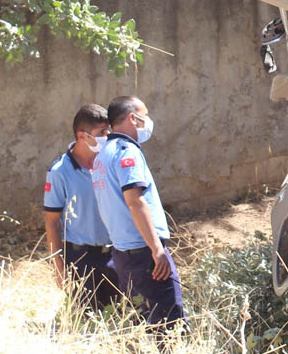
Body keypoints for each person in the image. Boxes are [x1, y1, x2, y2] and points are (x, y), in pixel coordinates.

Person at [91, 95, 185, 332]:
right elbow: (135, 201)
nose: (149, 121)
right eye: (146, 115)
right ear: (133, 118)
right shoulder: (126, 152)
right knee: (170, 326)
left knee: (143, 323)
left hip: (124, 253)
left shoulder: (103, 155)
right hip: (144, 254)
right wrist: (157, 250)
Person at [43, 104, 120, 310]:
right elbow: (52, 222)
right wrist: (58, 268)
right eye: (101, 133)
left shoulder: (110, 163)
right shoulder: (60, 171)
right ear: (82, 135)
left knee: (121, 319)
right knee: (87, 320)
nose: (107, 136)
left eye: (108, 131)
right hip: (80, 259)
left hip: (115, 255)